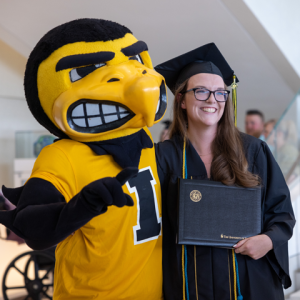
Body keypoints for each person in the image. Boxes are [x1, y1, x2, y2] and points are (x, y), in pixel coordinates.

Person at [154, 43, 295, 300]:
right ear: (181, 100)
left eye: (220, 93)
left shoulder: (253, 151)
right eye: (201, 91)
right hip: (188, 284)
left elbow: (282, 213)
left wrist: (267, 241)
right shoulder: (163, 156)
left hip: (250, 281)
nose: (212, 100)